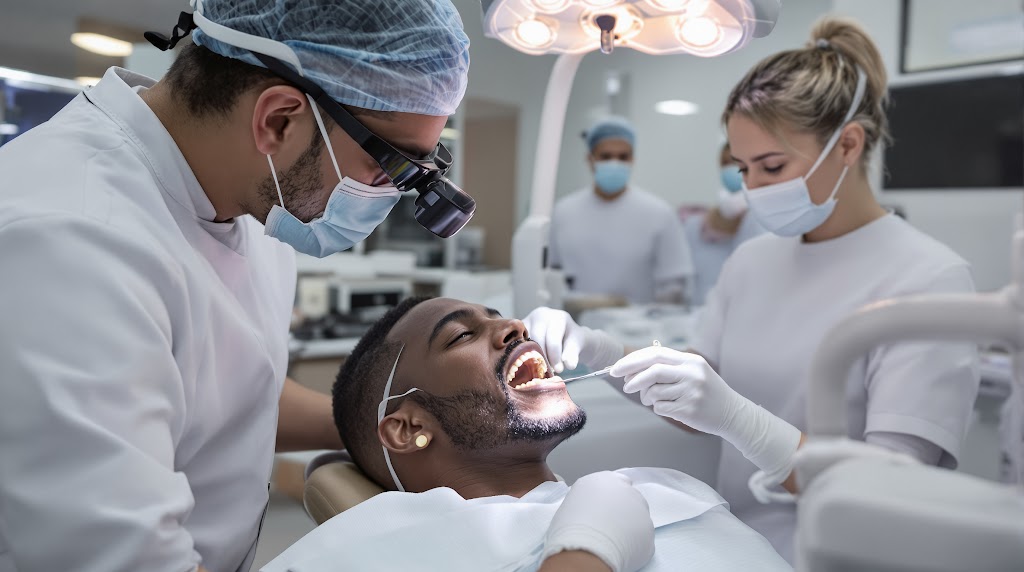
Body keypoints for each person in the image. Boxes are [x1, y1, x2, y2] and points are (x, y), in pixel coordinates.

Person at [0, 1, 471, 571]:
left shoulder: (252, 201)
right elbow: (120, 559)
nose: (392, 195)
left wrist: (394, 428)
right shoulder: (67, 241)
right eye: (392, 167)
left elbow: (229, 392)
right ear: (278, 120)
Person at [525, 17, 980, 564]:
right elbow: (692, 396)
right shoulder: (753, 261)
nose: (755, 188)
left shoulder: (930, 279)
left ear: (848, 145)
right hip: (734, 542)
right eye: (743, 169)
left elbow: (888, 491)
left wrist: (740, 421)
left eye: (772, 165)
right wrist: (604, 351)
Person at [262, 297, 790, 572]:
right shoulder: (371, 553)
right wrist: (586, 554)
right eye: (462, 335)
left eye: (500, 318)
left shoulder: (662, 492)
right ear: (408, 427)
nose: (516, 327)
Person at [549, 117, 694, 305]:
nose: (614, 163)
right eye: (606, 156)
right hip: (573, 325)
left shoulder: (659, 213)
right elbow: (550, 276)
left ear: (632, 160)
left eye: (623, 157)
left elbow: (676, 286)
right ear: (590, 159)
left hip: (639, 330)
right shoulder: (564, 212)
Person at [681, 142, 764, 306]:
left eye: (736, 163)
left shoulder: (763, 216)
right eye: (725, 163)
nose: (730, 169)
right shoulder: (700, 223)